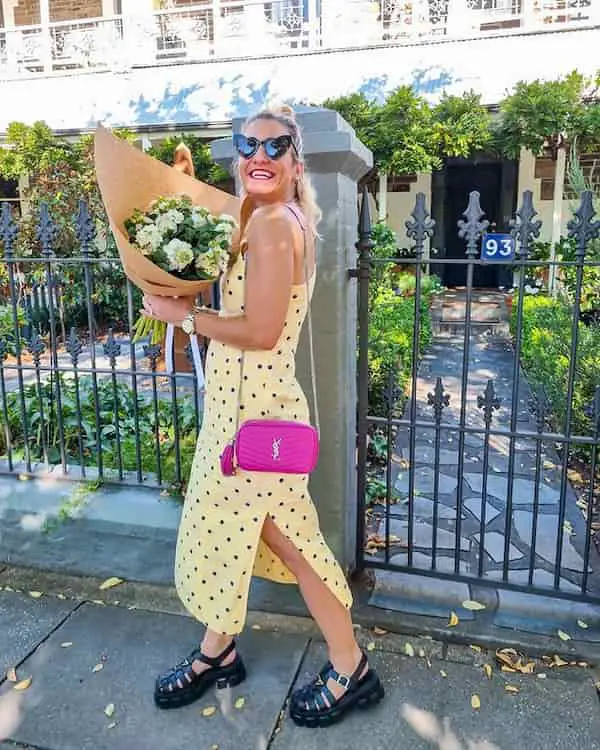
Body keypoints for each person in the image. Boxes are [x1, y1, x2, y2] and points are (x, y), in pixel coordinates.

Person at [141, 104, 384, 728]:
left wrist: (184, 318)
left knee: (291, 542)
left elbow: (260, 328)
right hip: (236, 410)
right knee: (230, 531)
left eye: (275, 147)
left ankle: (349, 664)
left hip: (256, 419)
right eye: (247, 144)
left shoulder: (276, 224)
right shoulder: (254, 217)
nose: (259, 156)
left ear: (295, 161)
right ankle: (216, 652)